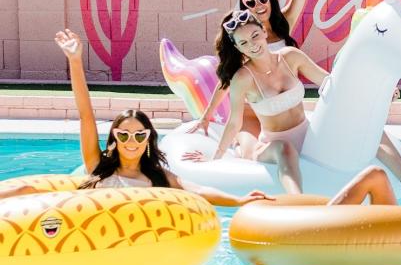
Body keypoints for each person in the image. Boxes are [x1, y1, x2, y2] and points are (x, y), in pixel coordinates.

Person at [0, 30, 272, 206]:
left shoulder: (156, 176)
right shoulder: (98, 166)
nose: (132, 141)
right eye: (124, 135)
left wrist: (238, 201)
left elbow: (197, 190)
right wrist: (75, 61)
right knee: (23, 188)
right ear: (115, 138)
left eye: (140, 135)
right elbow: (85, 115)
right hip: (85, 221)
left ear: (148, 140)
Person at [184, 10, 401, 198]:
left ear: (264, 32)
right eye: (244, 43)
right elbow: (234, 121)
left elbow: (331, 83)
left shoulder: (291, 57)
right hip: (272, 145)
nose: (253, 45)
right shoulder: (242, 79)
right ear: (237, 48)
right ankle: (298, 203)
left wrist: (377, 90)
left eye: (255, 36)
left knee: (367, 129)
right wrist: (215, 159)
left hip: (308, 135)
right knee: (284, 149)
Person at [189, 0, 308, 156]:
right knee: (248, 157)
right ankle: (237, 144)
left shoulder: (283, 24)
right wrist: (206, 116)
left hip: (282, 111)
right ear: (245, 7)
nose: (259, 5)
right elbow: (227, 81)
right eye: (250, 2)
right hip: (252, 113)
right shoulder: (243, 42)